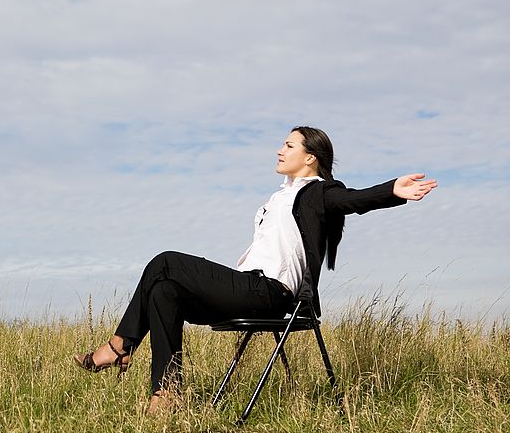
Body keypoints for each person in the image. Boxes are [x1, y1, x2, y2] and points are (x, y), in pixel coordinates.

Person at [74, 126, 438, 416]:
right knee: (164, 291)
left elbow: (352, 200)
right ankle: (166, 394)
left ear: (310, 158)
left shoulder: (316, 192)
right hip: (246, 289)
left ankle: (119, 346)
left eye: (289, 145)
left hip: (270, 294)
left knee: (165, 261)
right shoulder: (278, 197)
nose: (280, 150)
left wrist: (392, 190)